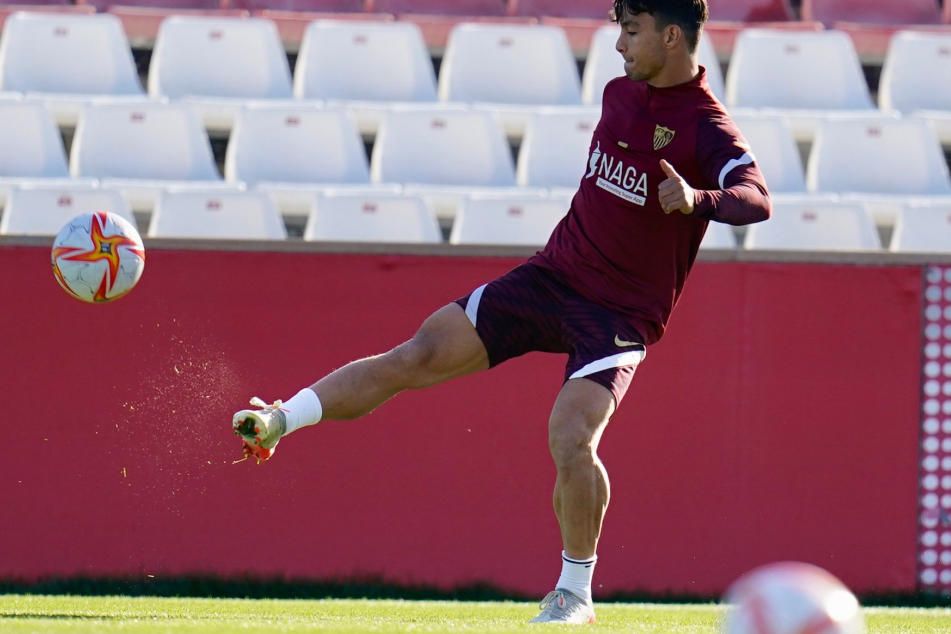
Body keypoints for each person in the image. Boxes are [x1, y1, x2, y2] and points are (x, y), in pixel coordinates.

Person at [232, 0, 770, 624]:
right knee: (416, 355)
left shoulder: (708, 126)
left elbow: (756, 199)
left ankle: (574, 594)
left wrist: (698, 198)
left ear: (671, 36)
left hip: (617, 315)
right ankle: (279, 421)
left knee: (571, 437)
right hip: (552, 277)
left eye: (631, 31)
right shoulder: (619, 94)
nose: (619, 45)